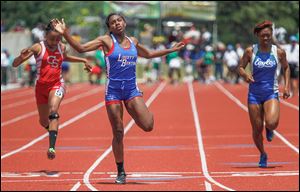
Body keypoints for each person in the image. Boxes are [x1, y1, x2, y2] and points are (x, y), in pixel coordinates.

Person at [51, 13, 185, 184]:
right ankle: (121, 171)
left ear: (124, 22)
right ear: (110, 27)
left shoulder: (134, 41)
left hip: (131, 90)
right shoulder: (106, 41)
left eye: (119, 20)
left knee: (148, 125)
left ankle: (133, 108)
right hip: (113, 91)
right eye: (113, 23)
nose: (117, 24)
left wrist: (171, 49)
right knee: (118, 132)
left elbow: (150, 54)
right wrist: (65, 33)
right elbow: (81, 48)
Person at [12, 21, 92, 160]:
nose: (55, 41)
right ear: (45, 36)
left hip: (57, 84)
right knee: (43, 121)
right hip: (40, 87)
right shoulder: (38, 47)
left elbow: (65, 58)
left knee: (53, 111)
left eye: (58, 38)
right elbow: (15, 64)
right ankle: (53, 131)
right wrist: (21, 56)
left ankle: (51, 147)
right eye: (52, 38)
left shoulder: (62, 46)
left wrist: (82, 60)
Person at [237, 20, 290, 168]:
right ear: (257, 36)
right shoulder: (250, 51)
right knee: (256, 129)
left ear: (272, 35)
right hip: (254, 94)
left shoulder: (278, 52)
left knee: (272, 122)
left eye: (268, 35)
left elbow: (286, 68)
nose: (265, 38)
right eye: (262, 36)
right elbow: (240, 67)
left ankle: (269, 128)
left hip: (271, 92)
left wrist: (286, 87)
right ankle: (262, 153)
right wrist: (245, 75)